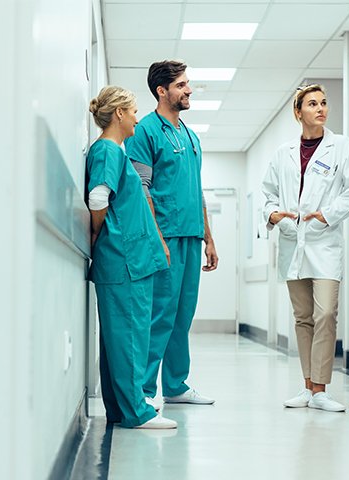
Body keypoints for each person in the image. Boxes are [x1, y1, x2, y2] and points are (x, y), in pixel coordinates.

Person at [262, 84, 349, 413]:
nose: (320, 109)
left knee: (326, 313)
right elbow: (268, 195)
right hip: (293, 242)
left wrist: (328, 216)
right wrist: (274, 214)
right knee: (303, 317)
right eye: (312, 104)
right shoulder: (283, 153)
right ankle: (307, 387)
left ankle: (321, 388)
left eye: (323, 103)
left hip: (325, 241)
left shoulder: (342, 147)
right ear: (298, 112)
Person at [124, 60, 218, 408]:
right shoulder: (145, 131)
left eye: (187, 83)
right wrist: (157, 239)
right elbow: (142, 189)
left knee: (182, 315)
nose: (188, 90)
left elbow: (198, 189)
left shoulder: (191, 136)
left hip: (191, 237)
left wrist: (209, 237)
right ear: (162, 91)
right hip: (164, 238)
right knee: (160, 315)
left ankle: (176, 386)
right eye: (181, 85)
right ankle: (144, 392)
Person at [86, 85, 177, 429]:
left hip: (125, 258)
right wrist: (99, 234)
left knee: (119, 338)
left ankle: (123, 410)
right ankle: (137, 411)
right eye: (135, 111)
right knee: (130, 337)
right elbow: (98, 198)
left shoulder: (112, 151)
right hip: (124, 259)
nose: (138, 118)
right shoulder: (109, 150)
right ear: (120, 114)